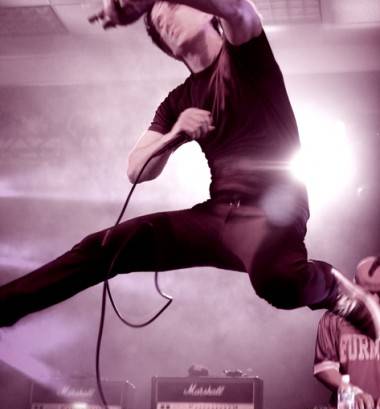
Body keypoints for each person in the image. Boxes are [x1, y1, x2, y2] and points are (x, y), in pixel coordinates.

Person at [0, 0, 379, 342]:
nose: (164, 20)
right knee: (107, 247)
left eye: (173, 8)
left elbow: (239, 10)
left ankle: (332, 288)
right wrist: (176, 134)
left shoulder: (244, 52)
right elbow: (135, 170)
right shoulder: (177, 101)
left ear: (207, 13)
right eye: (158, 23)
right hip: (217, 216)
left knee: (277, 282)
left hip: (273, 208)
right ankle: (6, 306)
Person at [314, 256, 380, 409]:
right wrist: (351, 391)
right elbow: (324, 368)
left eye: (379, 292)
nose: (374, 299)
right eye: (368, 292)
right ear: (354, 287)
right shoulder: (333, 319)